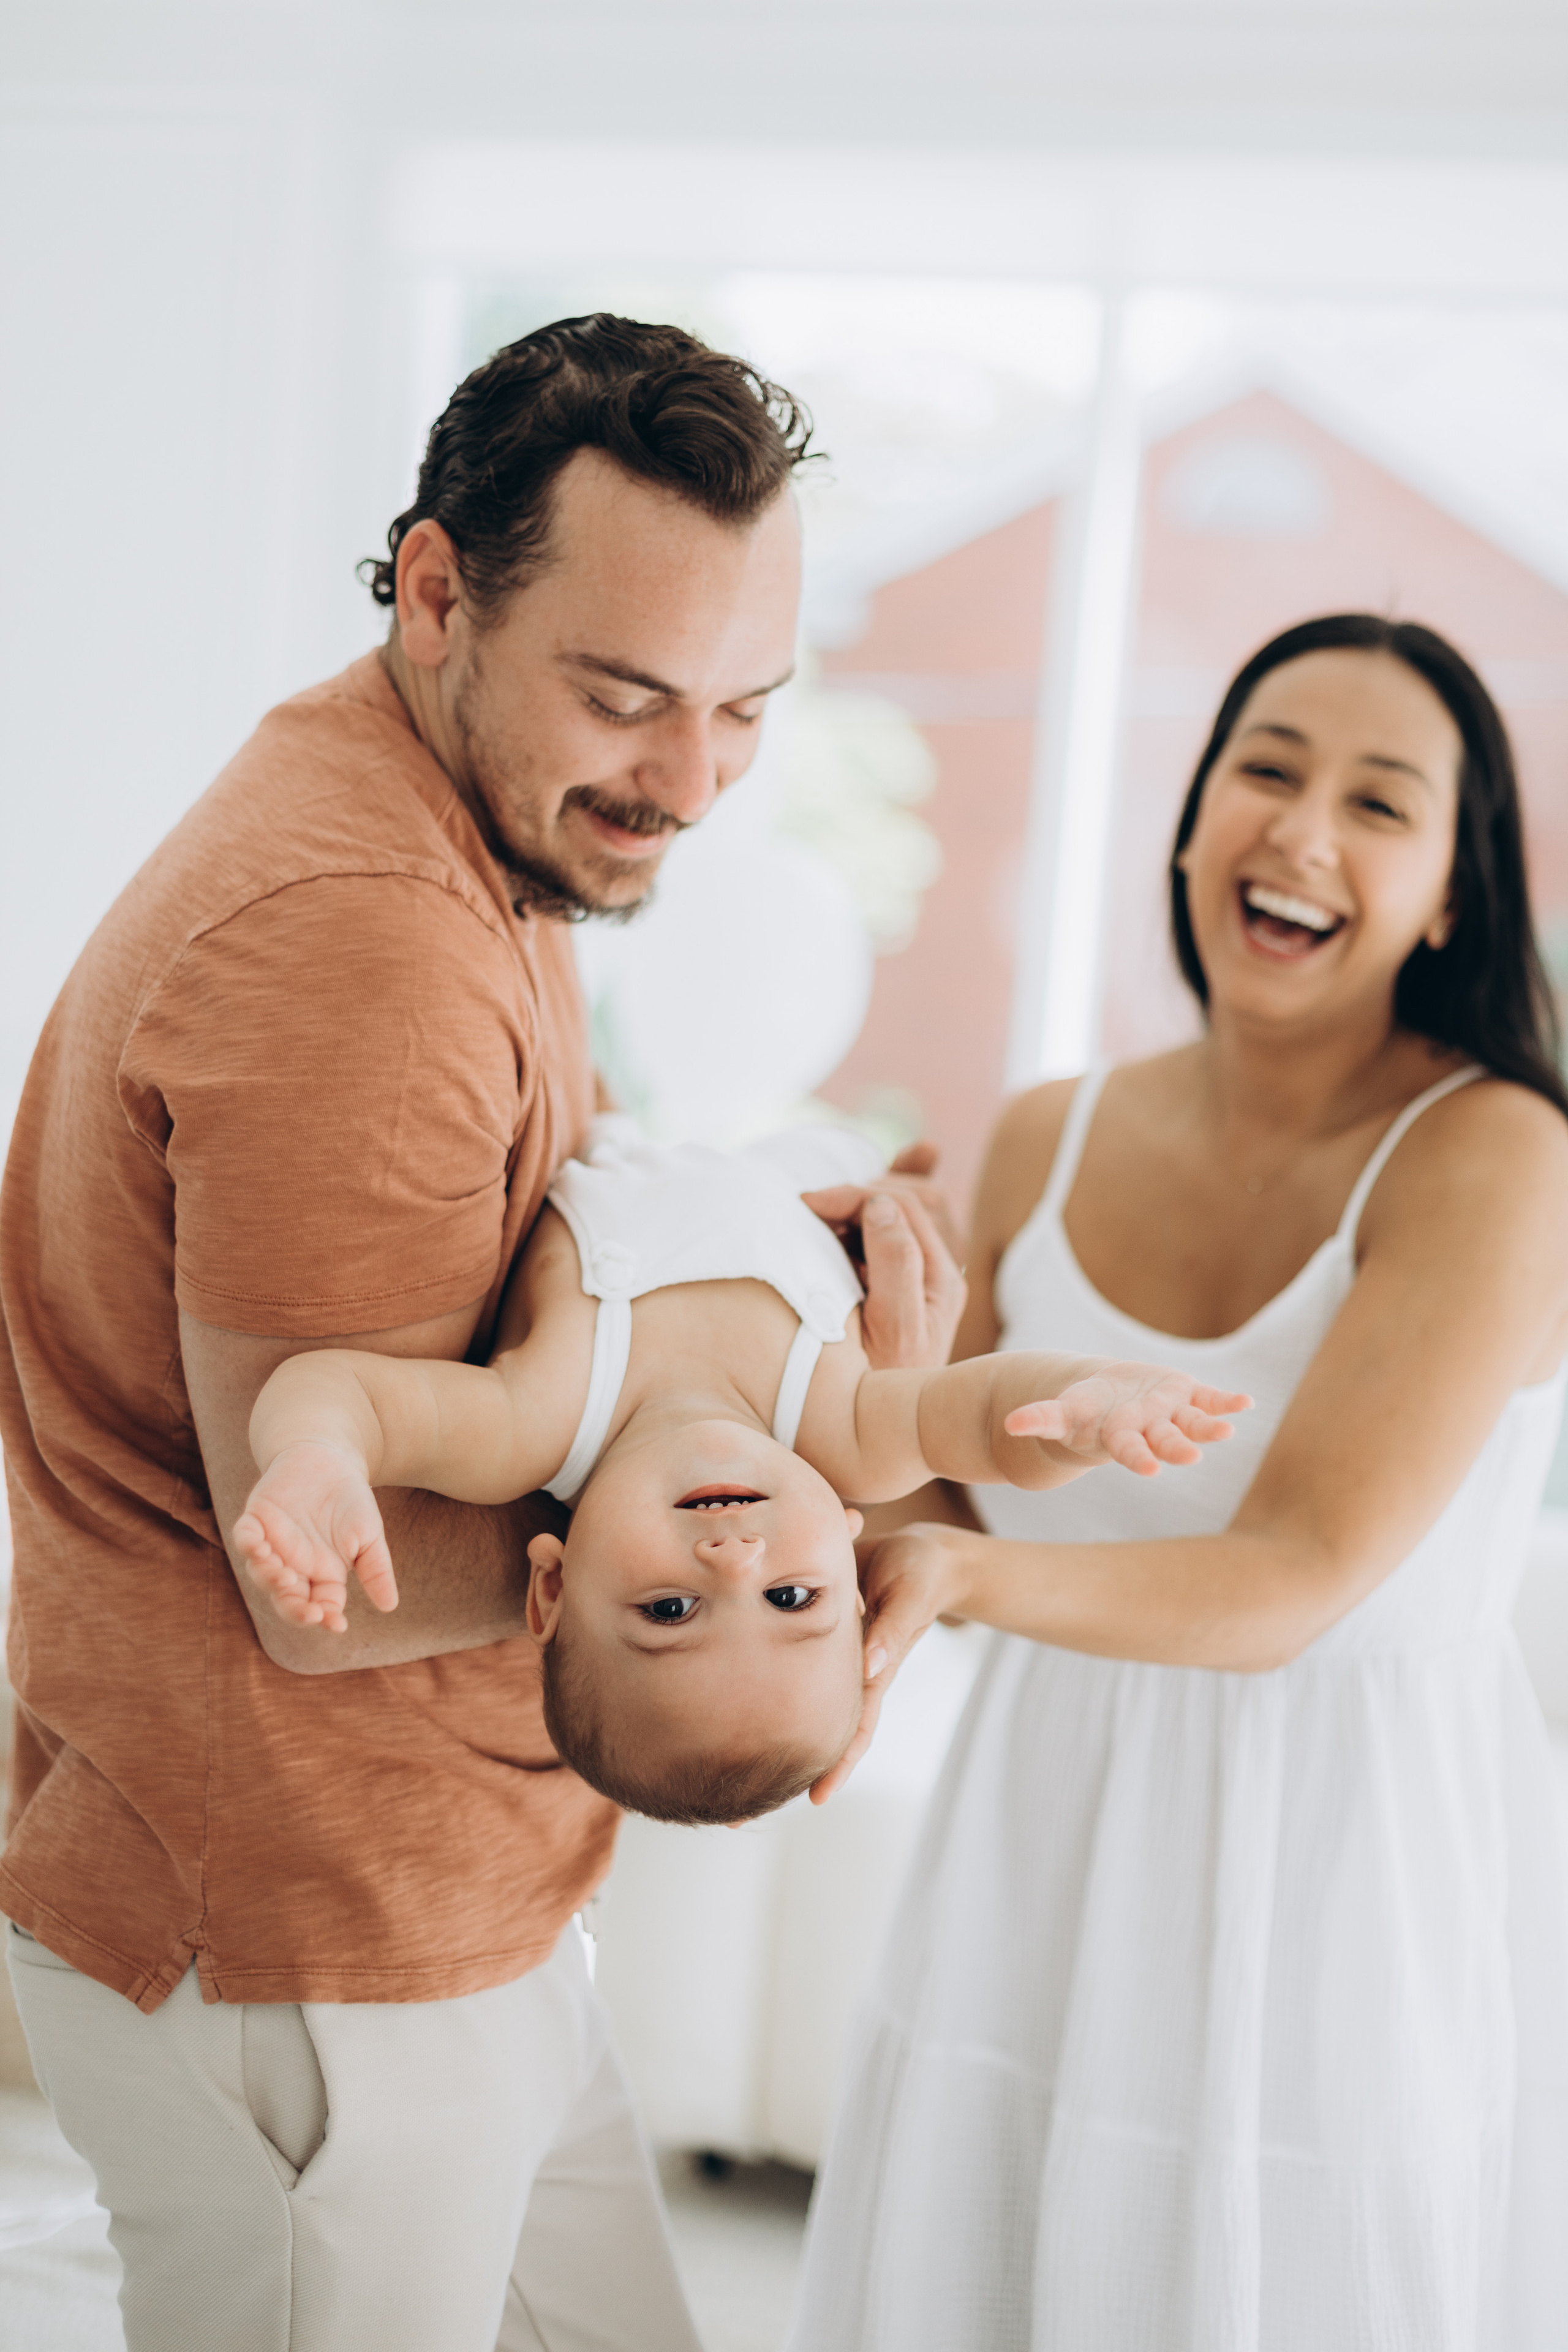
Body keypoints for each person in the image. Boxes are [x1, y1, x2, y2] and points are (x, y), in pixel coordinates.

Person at [0, 312, 957, 2352]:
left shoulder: (492, 826)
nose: (690, 783)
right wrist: (800, 1523)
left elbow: (489, 1291)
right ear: (438, 590)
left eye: (746, 709)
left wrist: (734, 1290)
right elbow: (323, 1589)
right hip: (299, 1934)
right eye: (627, 697)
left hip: (443, 1906)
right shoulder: (365, 941)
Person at [790, 615, 1568, 2351]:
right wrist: (883, 1339)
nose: (1301, 831)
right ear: (1192, 822)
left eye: (1380, 804)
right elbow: (934, 1505)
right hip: (1037, 1852)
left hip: (1335, 1895)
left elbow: (1294, 1571)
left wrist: (965, 1582)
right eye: (1268, 771)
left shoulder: (1503, 1154)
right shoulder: (1045, 1134)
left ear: (1453, 891)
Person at [235, 1114, 1246, 1825]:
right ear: (853, 1558)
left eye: (669, 1612)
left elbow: (345, 1391)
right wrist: (1085, 1411)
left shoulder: (531, 1422)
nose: (732, 1560)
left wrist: (317, 1456)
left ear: (550, 1585)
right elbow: (986, 1421)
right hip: (807, 1161)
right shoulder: (851, 1435)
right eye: (793, 1595)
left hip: (631, 1132)